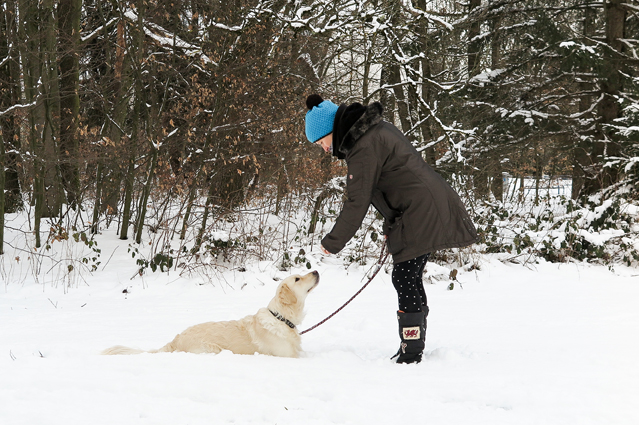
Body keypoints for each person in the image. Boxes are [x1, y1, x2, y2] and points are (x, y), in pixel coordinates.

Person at [304, 94, 479, 364]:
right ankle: (413, 344)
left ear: (330, 131)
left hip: (421, 208)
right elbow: (391, 184)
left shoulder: (363, 146)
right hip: (419, 206)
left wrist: (333, 241)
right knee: (408, 275)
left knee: (405, 276)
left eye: (321, 143)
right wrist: (391, 223)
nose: (324, 150)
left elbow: (357, 201)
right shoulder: (370, 134)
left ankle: (411, 350)